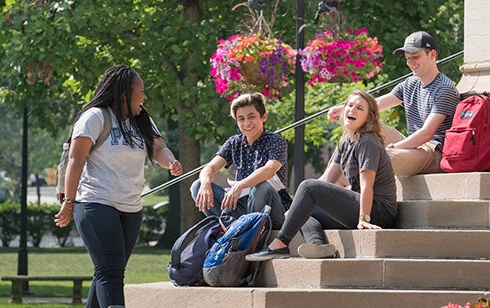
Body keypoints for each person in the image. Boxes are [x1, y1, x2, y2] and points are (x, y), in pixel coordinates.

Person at [53, 65, 183, 308]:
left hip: (130, 206)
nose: (144, 97)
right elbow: (75, 161)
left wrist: (170, 161)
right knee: (111, 270)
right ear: (124, 94)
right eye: (139, 92)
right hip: (94, 203)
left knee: (108, 268)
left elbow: (158, 148)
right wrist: (69, 201)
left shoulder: (141, 121)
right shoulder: (95, 118)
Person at [246, 90, 398, 261]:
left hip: (377, 211)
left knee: (307, 187)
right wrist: (296, 206)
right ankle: (318, 245)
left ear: (369, 117)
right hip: (359, 205)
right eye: (349, 105)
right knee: (303, 207)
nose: (352, 110)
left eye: (360, 108)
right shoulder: (347, 140)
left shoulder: (367, 142)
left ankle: (280, 244)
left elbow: (367, 185)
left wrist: (364, 218)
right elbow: (327, 180)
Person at [328, 31, 460, 177]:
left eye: (415, 57)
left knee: (380, 156)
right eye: (407, 58)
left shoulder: (444, 88)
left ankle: (343, 192)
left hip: (433, 152)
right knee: (357, 123)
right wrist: (346, 108)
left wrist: (394, 147)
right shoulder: (411, 83)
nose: (410, 63)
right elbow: (374, 104)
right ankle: (328, 183)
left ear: (432, 55)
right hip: (413, 145)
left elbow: (426, 134)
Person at [190, 92, 288, 229]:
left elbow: (269, 170)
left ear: (264, 117)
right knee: (197, 186)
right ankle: (230, 228)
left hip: (273, 210)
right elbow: (210, 167)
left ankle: (252, 234)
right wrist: (206, 183)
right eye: (241, 119)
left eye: (251, 117)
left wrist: (240, 185)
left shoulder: (276, 141)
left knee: (261, 187)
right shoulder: (234, 142)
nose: (246, 123)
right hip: (242, 207)